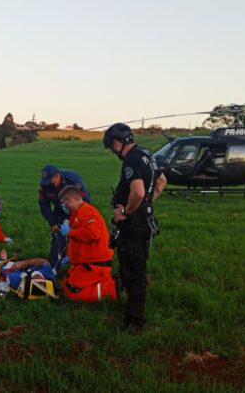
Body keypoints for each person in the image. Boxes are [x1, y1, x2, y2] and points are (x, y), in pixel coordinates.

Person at [103, 123, 167, 334]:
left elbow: (138, 192)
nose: (113, 152)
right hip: (144, 219)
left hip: (134, 223)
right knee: (136, 265)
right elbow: (162, 181)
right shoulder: (147, 154)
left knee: (132, 270)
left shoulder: (131, 159)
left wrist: (126, 212)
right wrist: (146, 203)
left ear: (116, 143)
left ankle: (134, 320)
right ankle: (133, 296)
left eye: (111, 148)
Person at [58, 185, 117, 302]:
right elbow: (80, 237)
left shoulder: (87, 212)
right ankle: (103, 281)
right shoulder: (77, 213)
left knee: (74, 294)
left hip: (95, 263)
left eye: (63, 203)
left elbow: (93, 234)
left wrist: (70, 232)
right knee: (65, 288)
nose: (63, 207)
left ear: (69, 200)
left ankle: (113, 288)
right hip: (84, 261)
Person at [38, 164, 91, 267]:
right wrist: (52, 223)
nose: (48, 184)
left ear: (57, 176)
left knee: (79, 235)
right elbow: (43, 204)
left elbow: (84, 200)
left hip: (77, 208)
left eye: (50, 181)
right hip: (59, 209)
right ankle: (55, 265)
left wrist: (76, 217)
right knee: (58, 234)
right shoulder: (44, 185)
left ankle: (81, 261)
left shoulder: (73, 180)